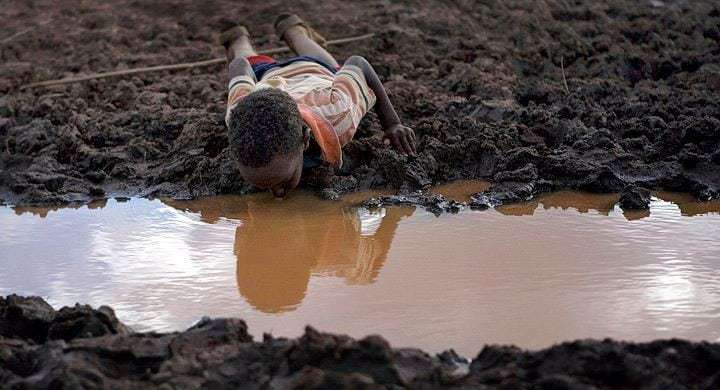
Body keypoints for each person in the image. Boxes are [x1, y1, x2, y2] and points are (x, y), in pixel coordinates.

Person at [220, 14, 416, 198]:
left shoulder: (338, 114)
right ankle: (239, 38)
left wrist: (392, 124)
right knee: (244, 56)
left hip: (314, 71)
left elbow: (359, 64)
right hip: (269, 76)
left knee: (327, 64)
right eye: (262, 185)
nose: (278, 193)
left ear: (305, 139)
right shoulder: (238, 114)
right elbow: (238, 65)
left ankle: (293, 31)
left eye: (282, 181)